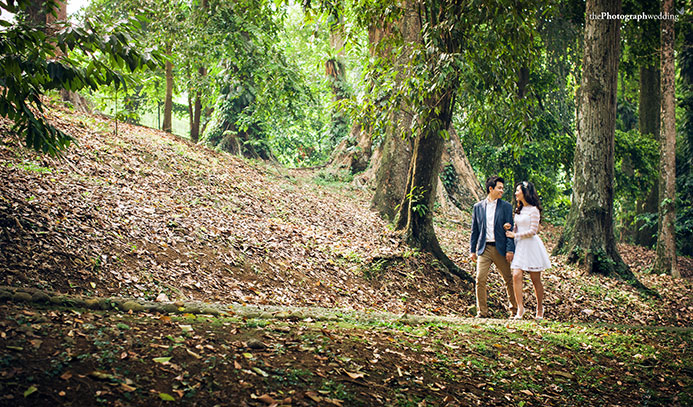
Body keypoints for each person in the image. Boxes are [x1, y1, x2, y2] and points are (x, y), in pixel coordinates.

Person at [470, 176, 518, 318]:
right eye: (499, 188)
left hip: (500, 248)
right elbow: (475, 230)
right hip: (484, 249)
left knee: (508, 279)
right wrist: (472, 250)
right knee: (480, 279)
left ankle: (514, 311)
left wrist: (510, 249)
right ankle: (482, 312)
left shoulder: (506, 207)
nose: (502, 190)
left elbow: (509, 232)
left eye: (502, 188)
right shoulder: (478, 207)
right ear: (491, 189)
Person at [504, 181, 551, 320]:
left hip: (531, 246)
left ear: (525, 192)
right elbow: (516, 228)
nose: (515, 193)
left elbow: (533, 231)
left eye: (518, 190)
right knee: (516, 275)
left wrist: (515, 235)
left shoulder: (534, 209)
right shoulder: (519, 209)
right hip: (519, 246)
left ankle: (539, 308)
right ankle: (520, 308)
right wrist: (510, 228)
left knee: (535, 278)